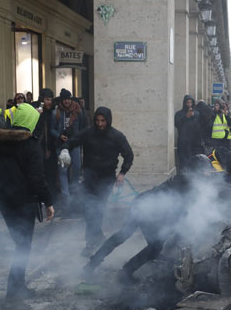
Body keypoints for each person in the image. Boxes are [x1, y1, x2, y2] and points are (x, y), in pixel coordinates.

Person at [83, 155, 213, 284]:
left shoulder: (188, 179)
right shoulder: (187, 182)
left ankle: (92, 264)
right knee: (154, 246)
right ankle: (126, 272)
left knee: (124, 235)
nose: (209, 174)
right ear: (198, 170)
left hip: (142, 203)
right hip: (147, 209)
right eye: (206, 170)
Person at [0, 103, 54, 310]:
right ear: (31, 121)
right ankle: (12, 297)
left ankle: (20, 287)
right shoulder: (31, 145)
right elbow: (37, 178)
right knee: (22, 247)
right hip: (24, 204)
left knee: (22, 245)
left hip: (7, 203)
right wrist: (49, 202)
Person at [62, 106, 134, 256]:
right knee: (89, 210)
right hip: (89, 178)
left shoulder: (117, 136)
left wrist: (122, 173)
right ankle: (96, 238)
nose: (100, 124)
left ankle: (92, 242)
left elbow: (129, 155)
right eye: (97, 120)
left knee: (97, 210)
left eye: (103, 121)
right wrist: (64, 150)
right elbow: (72, 141)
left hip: (106, 179)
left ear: (108, 120)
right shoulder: (88, 133)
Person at [51, 89, 84, 210]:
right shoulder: (56, 112)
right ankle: (66, 198)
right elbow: (52, 129)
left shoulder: (78, 111)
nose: (66, 101)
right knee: (63, 170)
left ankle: (74, 193)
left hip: (75, 144)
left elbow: (82, 127)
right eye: (64, 99)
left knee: (77, 167)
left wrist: (79, 139)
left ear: (71, 99)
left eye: (68, 99)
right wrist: (59, 136)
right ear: (61, 100)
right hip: (61, 144)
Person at [174, 94, 204, 169]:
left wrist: (193, 117)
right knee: (184, 163)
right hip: (183, 143)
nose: (189, 104)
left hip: (194, 143)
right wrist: (186, 117)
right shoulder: (179, 114)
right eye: (187, 102)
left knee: (194, 164)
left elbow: (199, 127)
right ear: (184, 103)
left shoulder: (197, 114)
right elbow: (177, 124)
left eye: (191, 102)